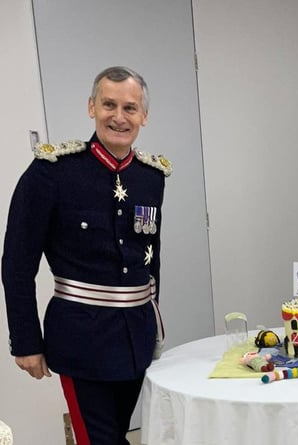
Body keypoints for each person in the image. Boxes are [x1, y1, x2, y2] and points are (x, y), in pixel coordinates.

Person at [2, 66, 172, 445]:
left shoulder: (151, 177)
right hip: (81, 338)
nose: (119, 116)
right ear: (91, 107)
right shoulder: (52, 173)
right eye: (108, 104)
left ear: (143, 116)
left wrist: (154, 321)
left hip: (135, 337)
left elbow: (151, 258)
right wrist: (26, 341)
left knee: (117, 433)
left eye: (130, 108)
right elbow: (16, 262)